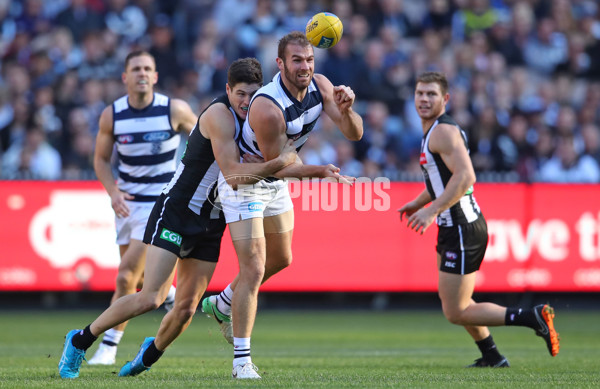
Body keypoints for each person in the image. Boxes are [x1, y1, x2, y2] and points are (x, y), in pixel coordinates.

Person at [58, 57, 298, 380]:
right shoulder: (218, 115)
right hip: (177, 211)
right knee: (151, 296)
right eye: (240, 93)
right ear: (228, 90)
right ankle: (80, 340)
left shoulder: (261, 118)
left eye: (252, 94)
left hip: (212, 222)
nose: (245, 101)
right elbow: (232, 173)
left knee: (185, 309)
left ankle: (146, 356)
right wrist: (279, 163)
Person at [200, 31, 363, 378]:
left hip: (275, 182)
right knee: (254, 267)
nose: (305, 67)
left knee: (283, 259)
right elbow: (280, 165)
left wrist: (347, 111)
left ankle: (223, 302)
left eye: (309, 60)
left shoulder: (320, 85)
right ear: (280, 63)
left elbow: (355, 134)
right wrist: (320, 171)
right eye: (296, 60)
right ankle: (241, 361)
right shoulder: (267, 106)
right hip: (246, 181)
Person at [397, 71, 560, 367]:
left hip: (461, 226)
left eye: (431, 94)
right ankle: (492, 356)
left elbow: (466, 176)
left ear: (445, 99)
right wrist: (418, 201)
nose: (424, 98)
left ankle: (531, 316)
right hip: (455, 226)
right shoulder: (435, 130)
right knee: (458, 303)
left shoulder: (443, 132)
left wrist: (431, 210)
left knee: (455, 311)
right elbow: (443, 178)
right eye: (420, 93)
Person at [88, 50, 192, 365]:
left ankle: (107, 346)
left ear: (156, 76)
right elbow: (101, 160)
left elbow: (207, 137)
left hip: (159, 204)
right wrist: (113, 192)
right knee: (139, 280)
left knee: (124, 277)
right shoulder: (113, 114)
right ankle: (170, 294)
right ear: (125, 77)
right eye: (136, 69)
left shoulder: (173, 110)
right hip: (126, 206)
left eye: (147, 68)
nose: (142, 73)